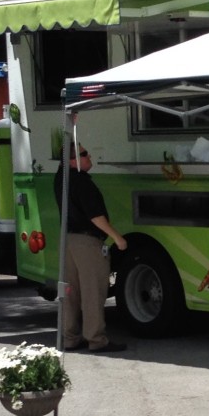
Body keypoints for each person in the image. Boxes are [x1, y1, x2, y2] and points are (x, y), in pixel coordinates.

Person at [54, 143, 129, 352]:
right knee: (92, 292)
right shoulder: (82, 182)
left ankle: (70, 337)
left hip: (67, 240)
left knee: (70, 293)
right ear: (72, 160)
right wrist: (118, 238)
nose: (89, 156)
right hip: (87, 242)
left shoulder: (60, 178)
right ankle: (96, 339)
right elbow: (95, 216)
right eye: (84, 154)